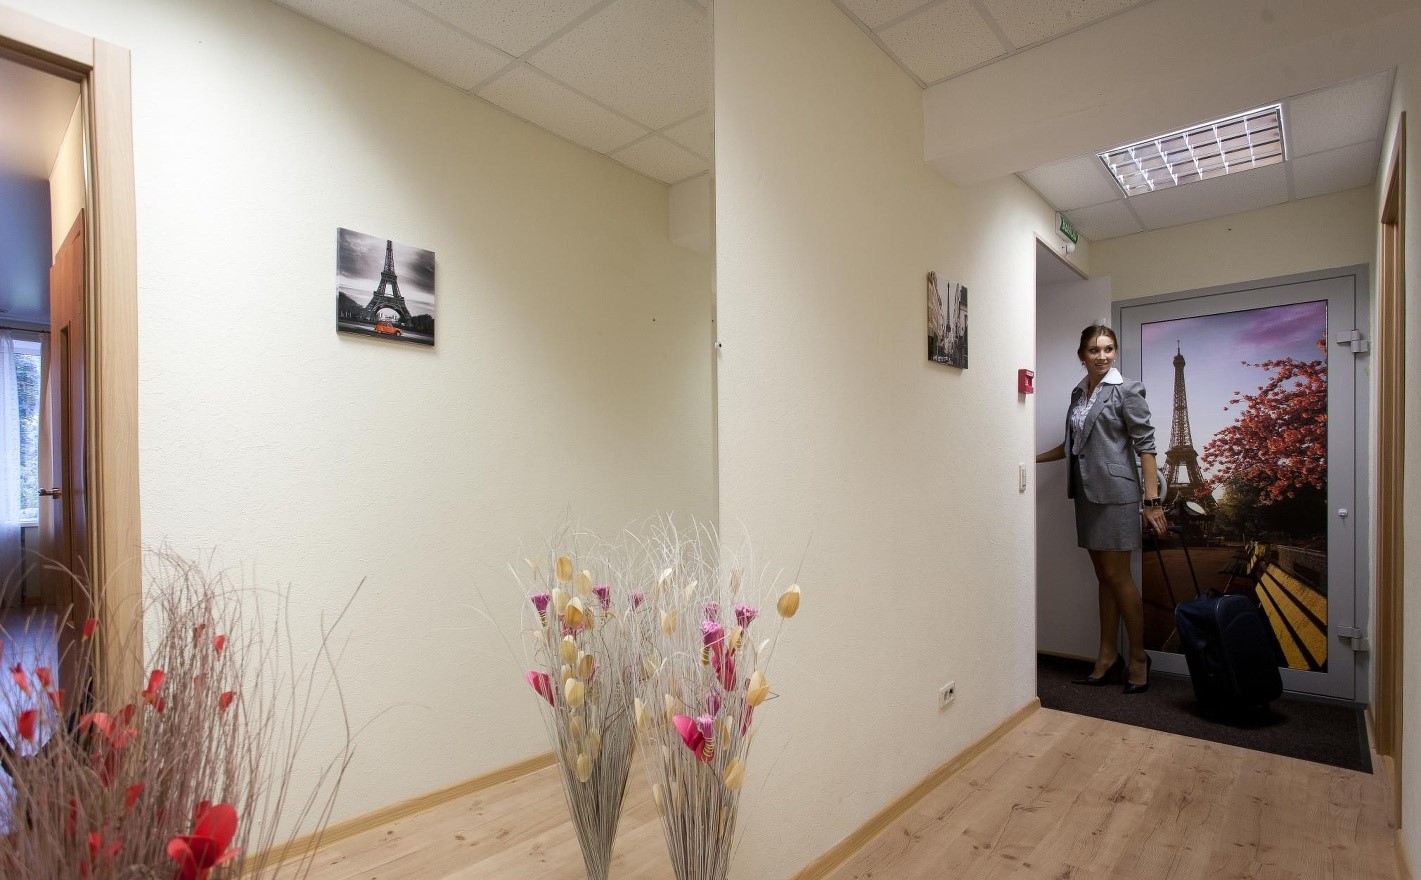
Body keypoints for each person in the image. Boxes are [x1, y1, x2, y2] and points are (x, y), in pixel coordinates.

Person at [1037, 324, 1168, 693]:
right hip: (1086, 495)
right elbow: (1071, 445)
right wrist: (1029, 458)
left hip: (1117, 495)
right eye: (1094, 350)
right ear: (1082, 355)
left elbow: (1146, 447)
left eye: (1108, 349)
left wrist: (1152, 501)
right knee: (1105, 578)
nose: (1102, 356)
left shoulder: (1127, 390)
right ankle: (1107, 656)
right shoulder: (1079, 393)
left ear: (1115, 352)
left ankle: (1138, 657)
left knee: (1118, 577)